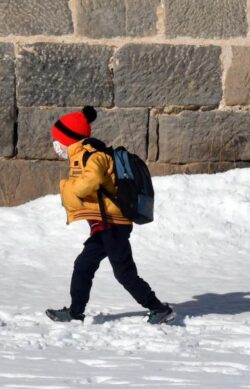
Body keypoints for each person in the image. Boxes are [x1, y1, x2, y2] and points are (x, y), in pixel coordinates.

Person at [45, 107, 175, 325]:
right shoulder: (83, 156)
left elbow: (91, 181)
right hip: (103, 225)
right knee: (83, 266)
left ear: (69, 139)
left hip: (113, 225)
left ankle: (159, 308)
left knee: (124, 272)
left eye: (57, 140)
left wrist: (67, 188)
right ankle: (75, 312)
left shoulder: (95, 157)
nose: (55, 145)